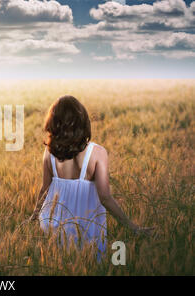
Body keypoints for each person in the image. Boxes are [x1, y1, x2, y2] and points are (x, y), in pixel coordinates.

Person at [29, 95, 153, 258]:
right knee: (89, 265)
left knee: (57, 264)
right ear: (83, 121)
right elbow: (105, 197)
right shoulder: (97, 153)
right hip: (86, 228)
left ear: (53, 122)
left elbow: (44, 189)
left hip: (54, 225)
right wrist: (133, 227)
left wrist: (34, 216)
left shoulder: (49, 152)